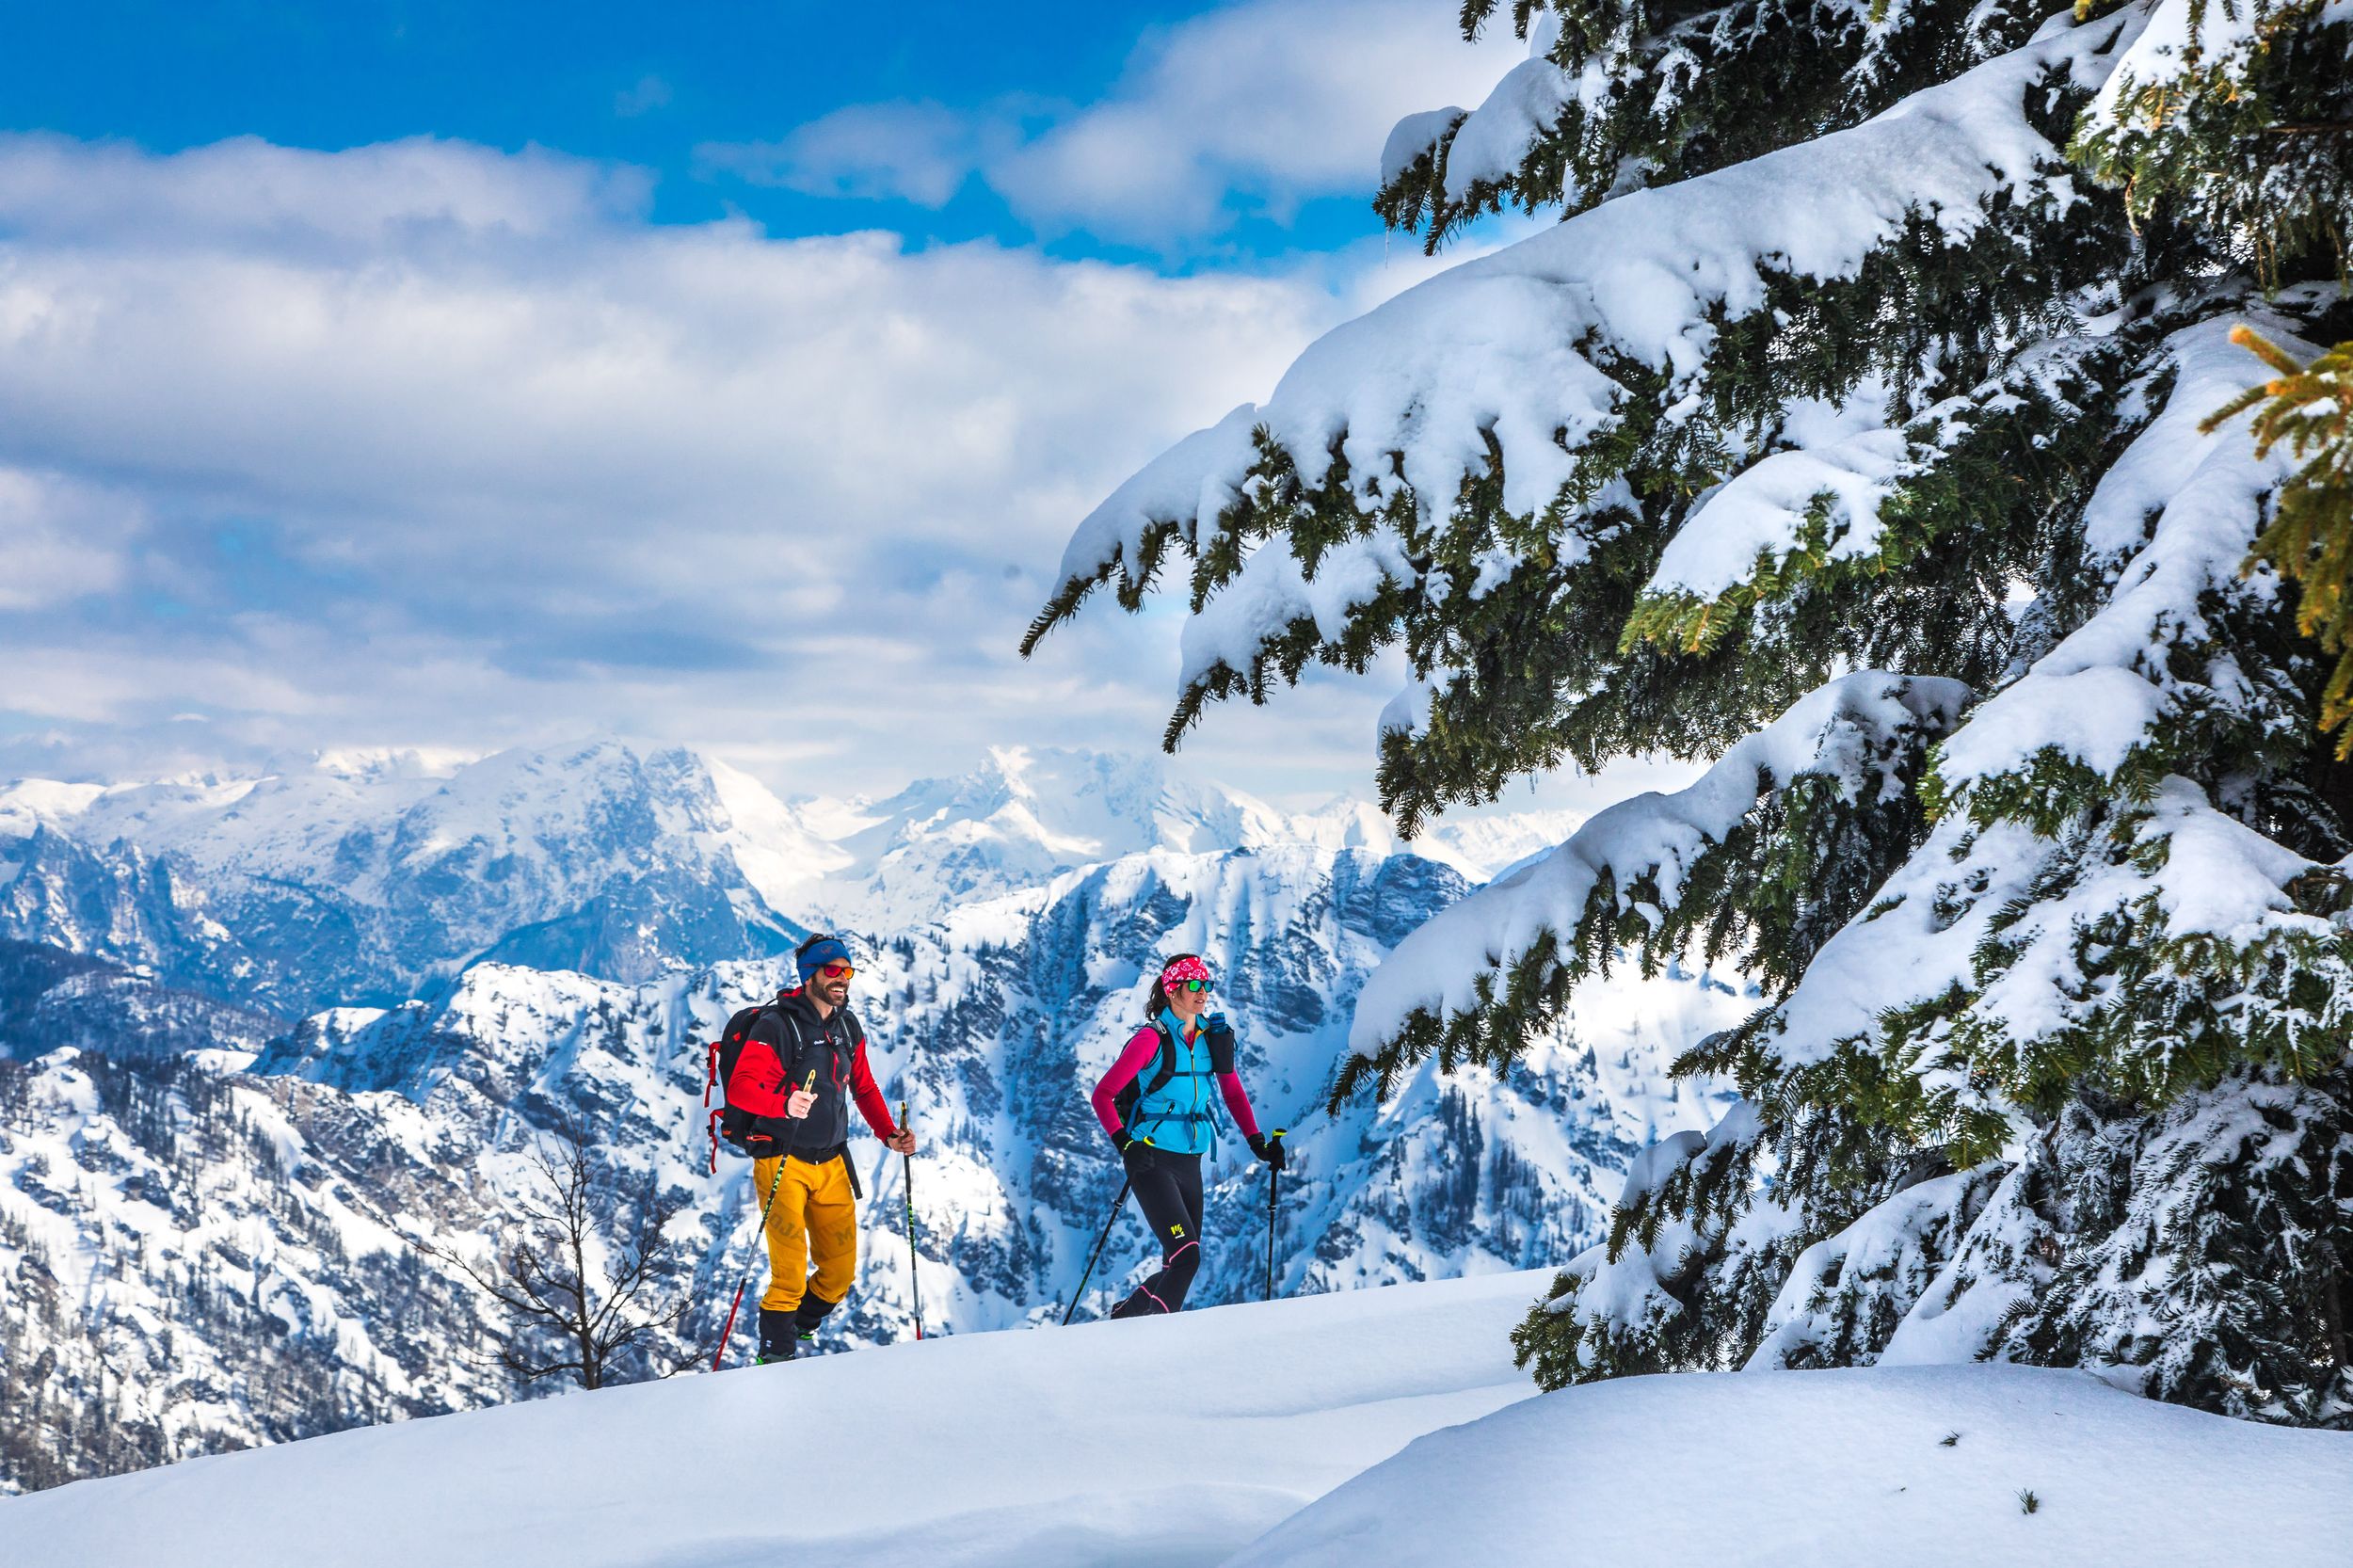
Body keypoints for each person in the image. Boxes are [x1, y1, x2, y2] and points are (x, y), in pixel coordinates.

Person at [724, 933, 917, 1362]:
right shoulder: (776, 1025)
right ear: (810, 975)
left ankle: (799, 1326)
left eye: (847, 971)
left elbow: (863, 1088)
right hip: (781, 1161)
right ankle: (776, 1357)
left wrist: (890, 1135)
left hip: (831, 1163)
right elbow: (740, 1089)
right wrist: (782, 1103)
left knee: (838, 1275)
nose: (842, 979)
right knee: (789, 1275)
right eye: (833, 970)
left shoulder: (847, 1026)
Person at [1088, 952, 1284, 1318]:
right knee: (1187, 1258)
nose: (1203, 993)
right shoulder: (1150, 1040)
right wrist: (1124, 1144)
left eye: (1206, 984)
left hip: (1191, 1158)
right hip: (1151, 1158)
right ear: (1172, 989)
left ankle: (1125, 1316)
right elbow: (1103, 1095)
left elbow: (1233, 1092)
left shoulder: (1213, 1038)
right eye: (1193, 985)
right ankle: (1159, 1339)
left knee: (1175, 1263)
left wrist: (1256, 1141)